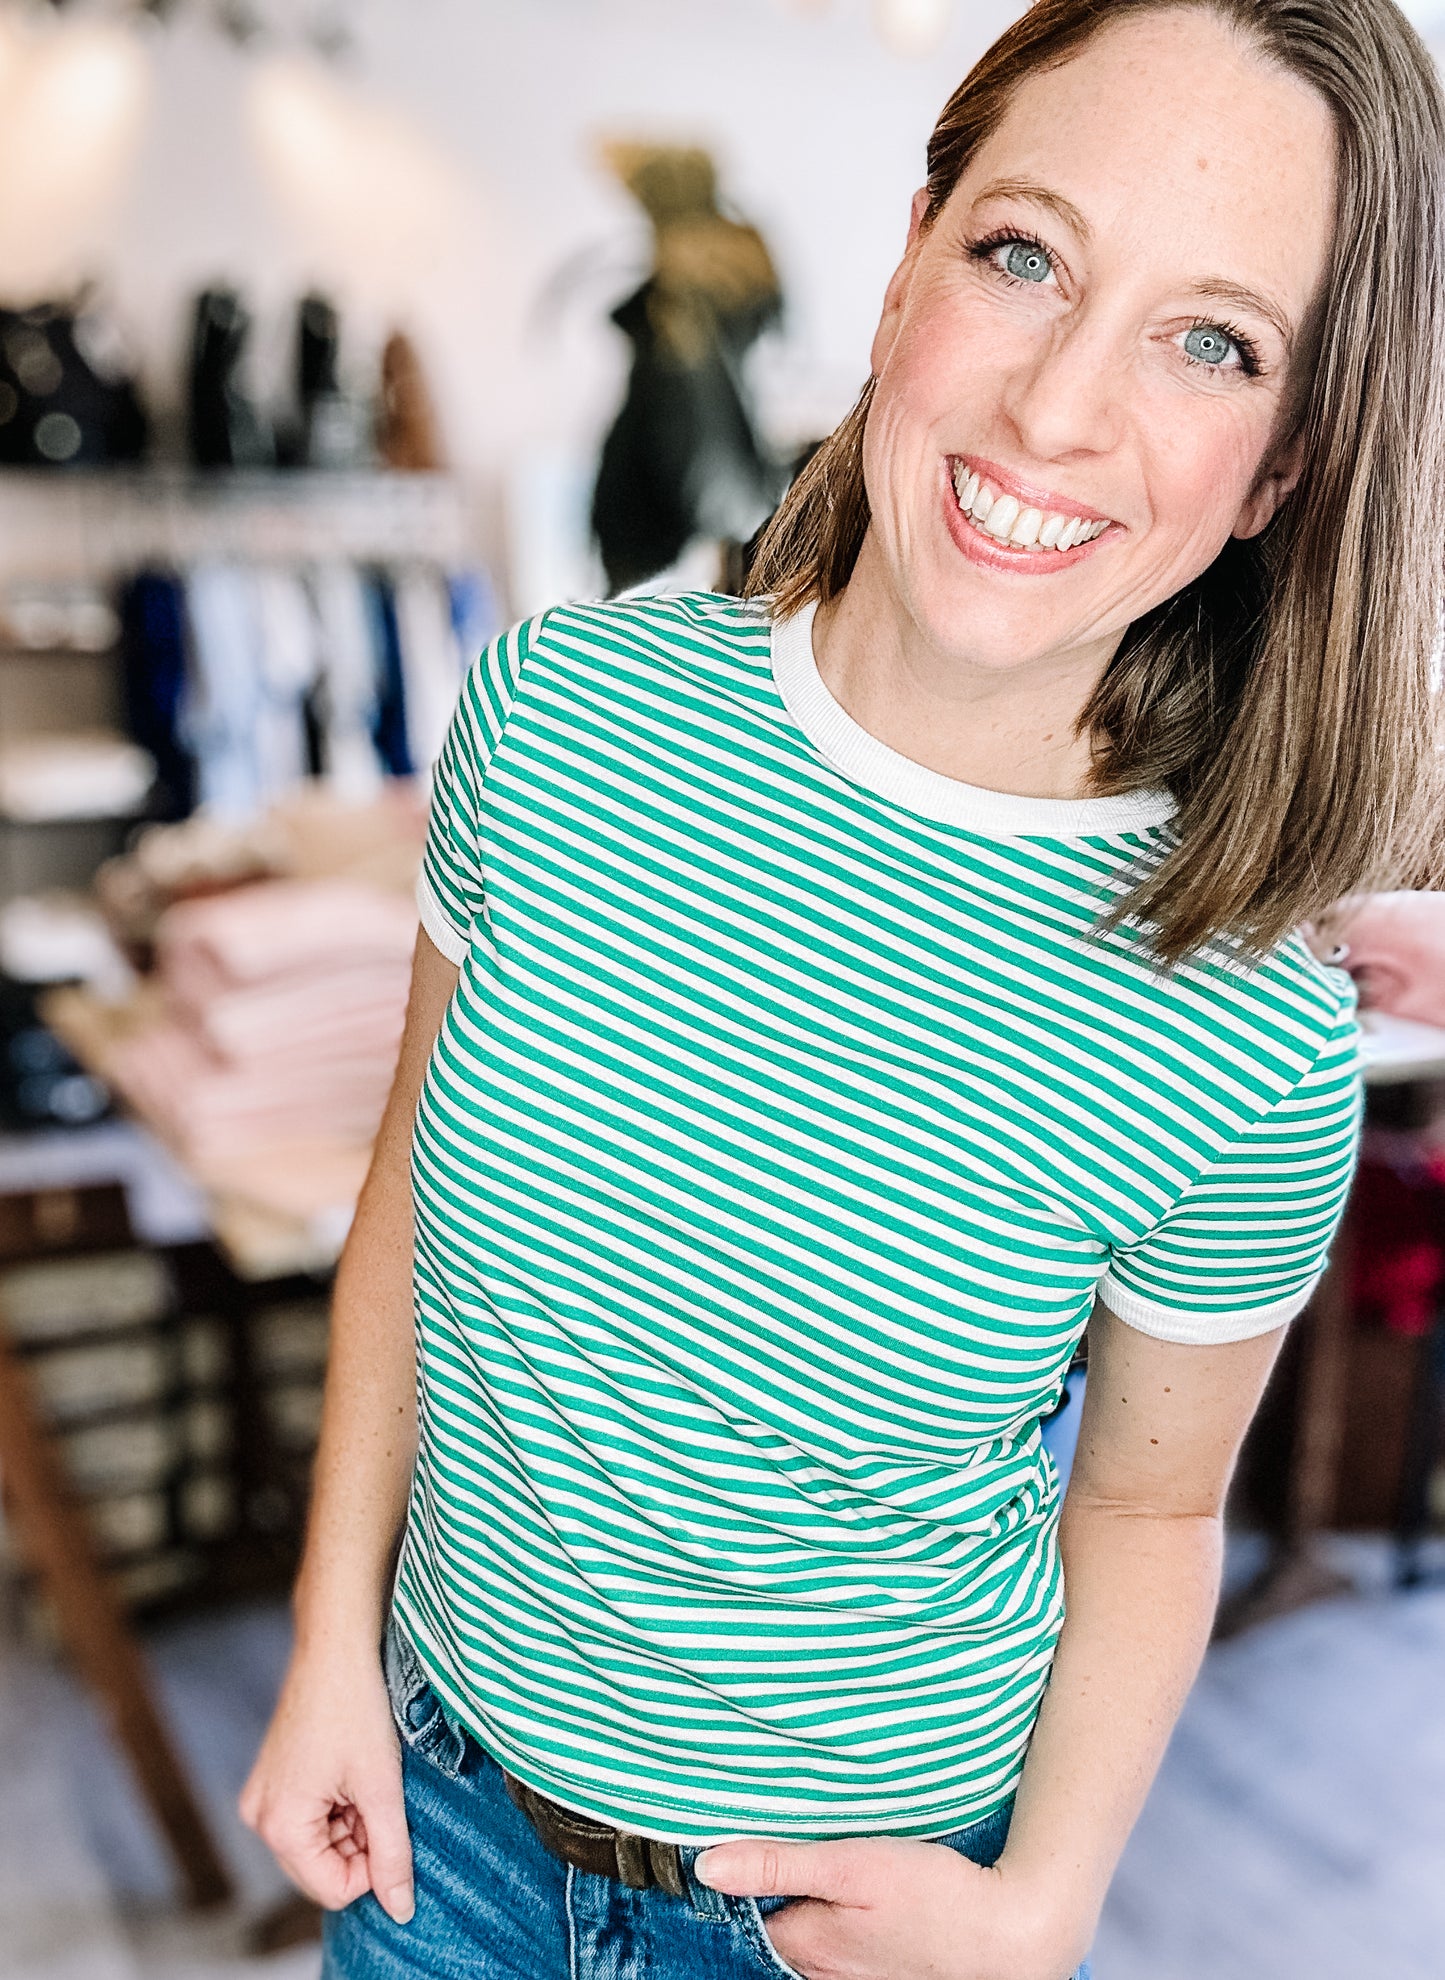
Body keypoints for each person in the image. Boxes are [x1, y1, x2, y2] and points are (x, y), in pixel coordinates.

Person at [241, 3, 1445, 1976]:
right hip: (433, 1818)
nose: (1059, 410)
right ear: (910, 262)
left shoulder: (1247, 1034)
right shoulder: (556, 727)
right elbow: (409, 1221)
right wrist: (327, 1643)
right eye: (1026, 253)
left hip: (832, 1915)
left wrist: (1043, 1910)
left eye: (1210, 340)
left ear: (1283, 467)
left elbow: (1144, 1518)